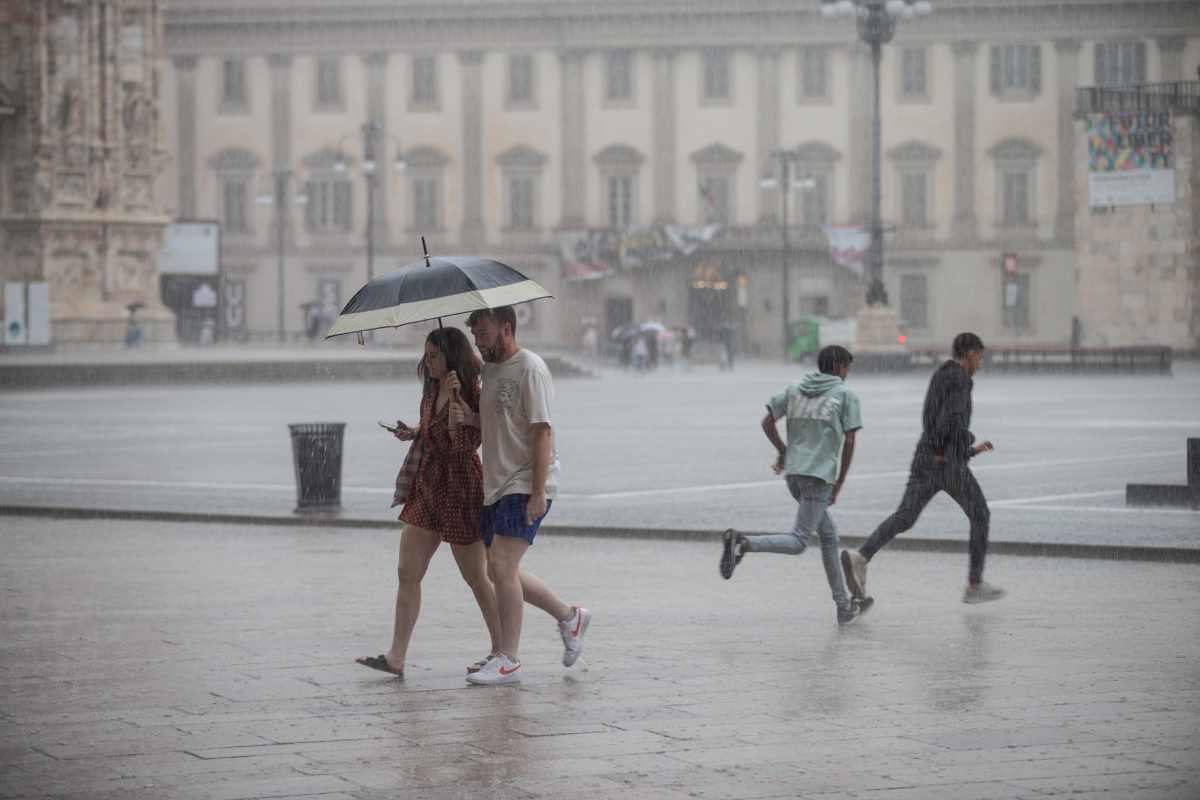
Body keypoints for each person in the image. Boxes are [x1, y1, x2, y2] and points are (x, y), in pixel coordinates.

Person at [356, 327, 503, 678]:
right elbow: (431, 429)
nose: (428, 361)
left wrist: (459, 407)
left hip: (460, 484)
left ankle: (502, 649)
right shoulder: (430, 387)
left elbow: (466, 446)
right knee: (407, 571)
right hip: (428, 483)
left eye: (434, 355)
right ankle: (396, 656)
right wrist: (414, 431)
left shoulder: (471, 392)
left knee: (476, 577)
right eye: (426, 354)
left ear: (451, 357)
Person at [464, 306, 590, 685]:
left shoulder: (530, 368)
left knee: (500, 566)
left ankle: (508, 659)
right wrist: (464, 414)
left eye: (483, 333)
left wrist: (538, 491)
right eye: (474, 335)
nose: (477, 342)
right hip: (497, 482)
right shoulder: (488, 370)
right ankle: (570, 617)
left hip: (526, 481)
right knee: (499, 568)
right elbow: (497, 422)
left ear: (506, 328)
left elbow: (541, 431)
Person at [841, 332, 1005, 605]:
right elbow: (949, 420)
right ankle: (975, 584)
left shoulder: (940, 375)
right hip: (945, 463)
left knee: (905, 517)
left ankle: (861, 557)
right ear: (970, 354)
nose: (981, 363)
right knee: (980, 514)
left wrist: (968, 451)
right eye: (980, 357)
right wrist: (964, 441)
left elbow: (930, 419)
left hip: (925, 457)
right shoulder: (961, 379)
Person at [720, 345, 871, 626]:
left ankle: (842, 605)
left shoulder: (795, 389)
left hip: (794, 477)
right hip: (818, 477)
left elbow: (767, 422)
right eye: (847, 369)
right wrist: (838, 481)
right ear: (839, 368)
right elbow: (850, 441)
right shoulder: (845, 395)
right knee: (800, 540)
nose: (847, 375)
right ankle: (743, 543)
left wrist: (783, 450)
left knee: (829, 536)